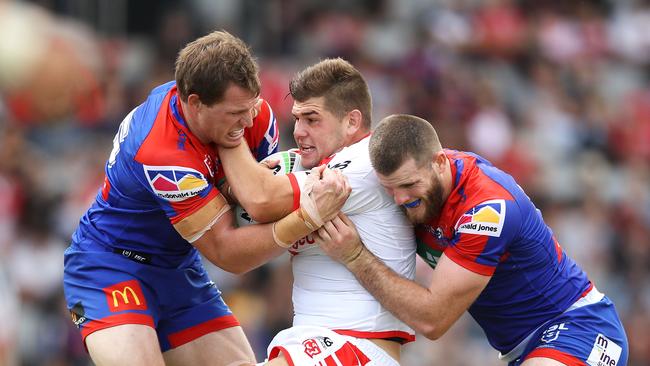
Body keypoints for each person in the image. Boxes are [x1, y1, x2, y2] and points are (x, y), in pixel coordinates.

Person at [63, 31, 350, 366]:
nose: (247, 120)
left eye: (251, 106)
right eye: (234, 113)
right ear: (195, 103)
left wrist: (232, 141)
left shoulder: (256, 116)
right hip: (111, 266)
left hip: (177, 266)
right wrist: (308, 217)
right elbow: (228, 253)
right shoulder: (161, 151)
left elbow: (257, 208)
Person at [316, 114, 629, 366]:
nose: (399, 199)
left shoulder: (487, 210)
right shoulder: (412, 187)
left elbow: (432, 319)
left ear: (440, 162)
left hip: (578, 327)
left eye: (409, 185)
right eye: (389, 188)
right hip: (521, 350)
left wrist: (355, 256)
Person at [217, 58, 417, 365]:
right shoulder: (312, 163)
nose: (298, 131)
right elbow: (244, 213)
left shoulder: (366, 162)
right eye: (297, 119)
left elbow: (259, 199)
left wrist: (226, 132)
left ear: (352, 121)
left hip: (357, 345)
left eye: (312, 120)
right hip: (316, 339)